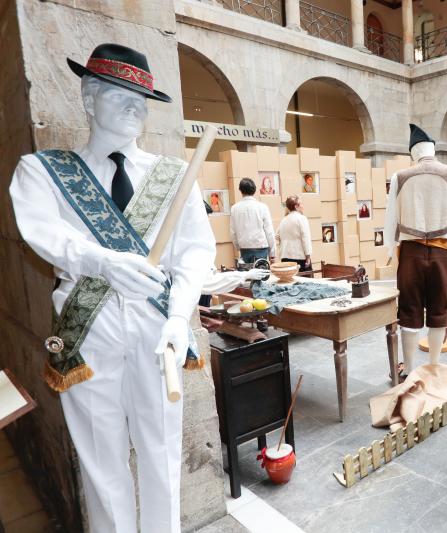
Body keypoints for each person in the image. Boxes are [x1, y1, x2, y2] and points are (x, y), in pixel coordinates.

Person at [9, 44, 216, 532]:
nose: (134, 107)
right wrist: (99, 261)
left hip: (156, 324)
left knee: (161, 449)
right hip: (88, 327)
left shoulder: (175, 177)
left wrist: (177, 316)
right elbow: (44, 232)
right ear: (88, 98)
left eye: (142, 99)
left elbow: (194, 253)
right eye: (119, 93)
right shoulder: (43, 172)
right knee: (102, 462)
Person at [384, 124, 447, 379]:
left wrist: (391, 247)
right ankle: (433, 366)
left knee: (408, 310)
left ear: (413, 152)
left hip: (409, 253)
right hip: (444, 252)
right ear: (433, 149)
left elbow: (391, 217)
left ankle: (410, 369)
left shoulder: (400, 176)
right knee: (440, 309)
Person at [230, 177, 276, 264]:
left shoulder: (234, 208)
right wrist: (272, 253)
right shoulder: (262, 207)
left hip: (244, 249)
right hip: (261, 247)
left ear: (240, 190)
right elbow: (269, 231)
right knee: (261, 276)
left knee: (246, 276)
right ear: (254, 190)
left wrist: (238, 247)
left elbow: (233, 232)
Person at [276, 194, 312, 272]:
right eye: (301, 203)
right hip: (299, 258)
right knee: (305, 282)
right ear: (296, 206)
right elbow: (305, 238)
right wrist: (308, 256)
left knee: (289, 282)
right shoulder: (302, 219)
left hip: (285, 257)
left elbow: (277, 236)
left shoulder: (283, 220)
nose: (303, 206)